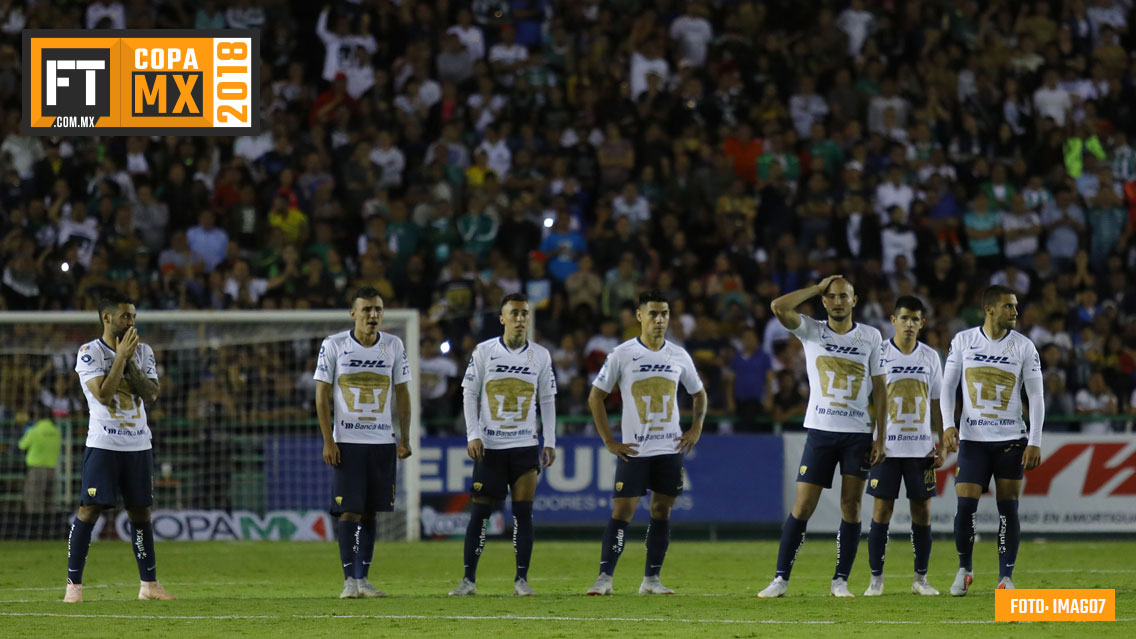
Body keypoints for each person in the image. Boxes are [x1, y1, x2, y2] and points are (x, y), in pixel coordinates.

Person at [758, 275, 886, 598]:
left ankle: (840, 581)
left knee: (851, 507)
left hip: (857, 434)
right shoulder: (811, 330)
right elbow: (777, 306)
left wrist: (880, 437)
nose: (838, 301)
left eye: (844, 296)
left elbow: (881, 391)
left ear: (854, 301)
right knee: (803, 506)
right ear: (824, 301)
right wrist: (815, 288)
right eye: (832, 296)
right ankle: (780, 579)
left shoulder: (871, 336)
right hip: (820, 432)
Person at [585, 290, 707, 596]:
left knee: (661, 511)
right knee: (622, 512)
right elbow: (595, 397)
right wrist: (609, 441)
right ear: (639, 316)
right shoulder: (622, 354)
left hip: (669, 449)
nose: (660, 319)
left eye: (664, 313)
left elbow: (699, 393)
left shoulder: (678, 354)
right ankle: (604, 578)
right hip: (635, 450)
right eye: (653, 313)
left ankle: (651, 580)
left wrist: (695, 428)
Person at [66, 294, 175, 603]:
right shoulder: (89, 353)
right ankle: (73, 588)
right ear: (107, 318)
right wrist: (120, 358)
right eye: (126, 317)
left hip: (139, 444)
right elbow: (102, 395)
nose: (132, 323)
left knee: (141, 512)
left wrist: (129, 361)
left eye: (134, 317)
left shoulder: (144, 352)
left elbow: (151, 393)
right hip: (103, 443)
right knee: (89, 510)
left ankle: (149, 586)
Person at [449, 293, 557, 596]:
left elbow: (547, 399)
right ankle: (468, 580)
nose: (520, 319)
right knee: (480, 514)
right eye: (514, 314)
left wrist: (549, 440)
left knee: (523, 513)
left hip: (525, 446)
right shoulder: (484, 352)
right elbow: (469, 393)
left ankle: (521, 580)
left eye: (524, 314)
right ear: (502, 318)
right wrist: (473, 434)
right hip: (491, 447)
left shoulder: (541, 355)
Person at [941, 284, 1044, 595]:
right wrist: (947, 424)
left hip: (1011, 439)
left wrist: (1035, 440)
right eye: (1009, 306)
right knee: (965, 506)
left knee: (1008, 508)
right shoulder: (963, 341)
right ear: (989, 309)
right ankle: (964, 569)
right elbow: (948, 387)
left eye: (1015, 306)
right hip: (973, 439)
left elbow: (1037, 396)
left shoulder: (1024, 346)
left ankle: (1005, 578)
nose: (1015, 311)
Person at [314, 287, 413, 599]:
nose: (373, 315)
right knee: (349, 513)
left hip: (383, 442)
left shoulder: (394, 345)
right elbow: (321, 394)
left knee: (371, 512)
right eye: (367, 309)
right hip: (348, 443)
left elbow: (402, 392)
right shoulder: (334, 345)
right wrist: (328, 441)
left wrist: (405, 438)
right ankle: (348, 581)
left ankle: (364, 579)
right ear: (353, 313)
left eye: (378, 310)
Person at [863, 296, 944, 596]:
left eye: (915, 319)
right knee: (881, 510)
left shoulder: (930, 357)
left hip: (921, 448)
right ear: (893, 320)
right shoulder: (879, 353)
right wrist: (873, 438)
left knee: (921, 512)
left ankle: (920, 579)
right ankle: (876, 579)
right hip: (886, 448)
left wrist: (942, 442)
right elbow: (867, 397)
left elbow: (937, 402)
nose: (909, 324)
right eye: (904, 318)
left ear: (922, 324)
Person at [18, 411, 61, 514]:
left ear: (37, 417)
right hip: (52, 470)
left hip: (36, 471)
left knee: (34, 502)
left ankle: (34, 527)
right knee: (50, 502)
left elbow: (22, 445)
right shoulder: (56, 431)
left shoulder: (34, 430)